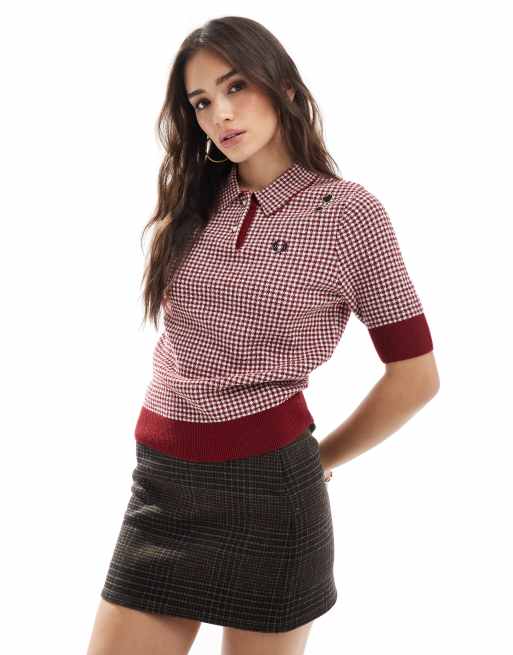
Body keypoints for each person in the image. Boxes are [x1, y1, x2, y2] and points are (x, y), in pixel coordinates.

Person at [86, 15, 439, 655]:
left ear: (283, 87)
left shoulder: (347, 214)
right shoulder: (196, 201)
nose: (221, 113)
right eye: (201, 101)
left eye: (236, 86)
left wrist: (320, 459)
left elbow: (416, 375)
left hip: (271, 499)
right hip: (161, 488)